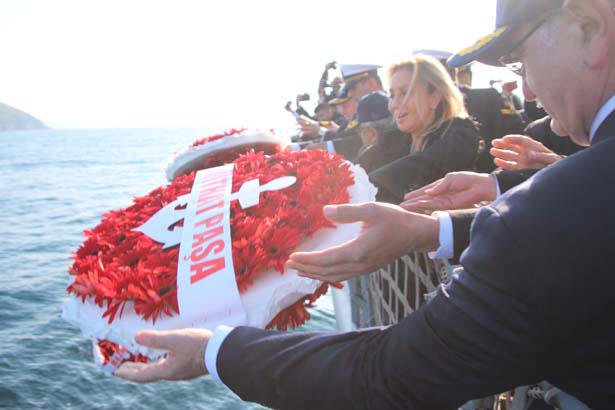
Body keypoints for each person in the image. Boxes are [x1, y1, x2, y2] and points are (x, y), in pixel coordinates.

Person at [115, 1, 615, 408]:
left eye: (519, 59)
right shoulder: (566, 199)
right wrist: (433, 230)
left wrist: (216, 351)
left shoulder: (542, 211)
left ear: (590, 27)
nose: (525, 88)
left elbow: (390, 375)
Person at [367, 55, 480, 203]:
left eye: (404, 93)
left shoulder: (459, 133)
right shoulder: (392, 139)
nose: (394, 105)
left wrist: (362, 187)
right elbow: (357, 168)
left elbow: (421, 165)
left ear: (434, 97)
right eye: (392, 95)